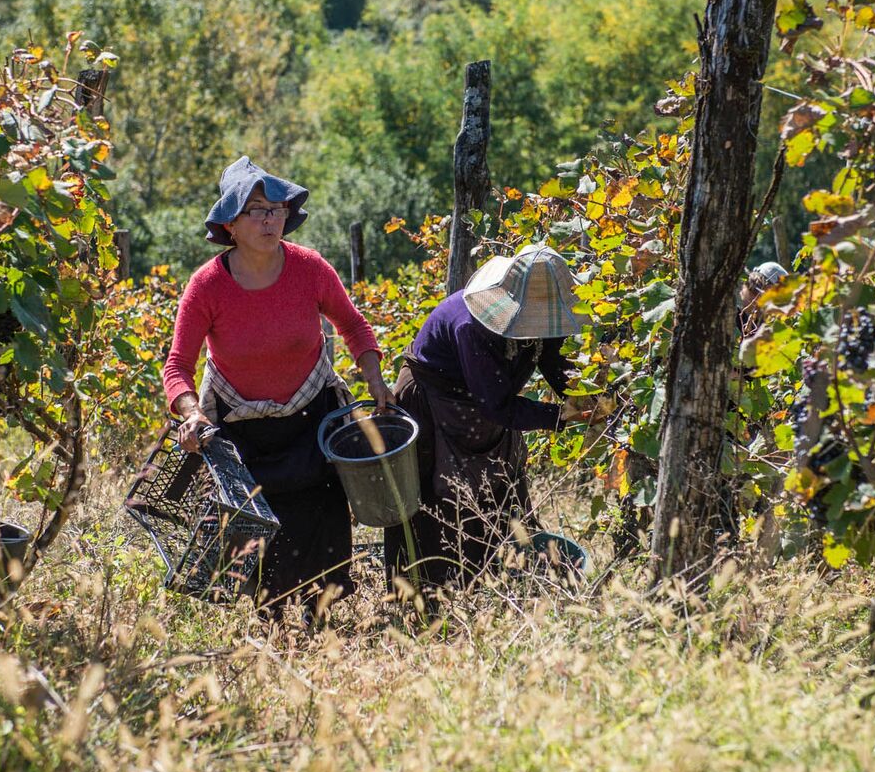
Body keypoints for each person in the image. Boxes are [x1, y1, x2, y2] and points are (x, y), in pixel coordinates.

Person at [162, 157, 394, 621]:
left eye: (276, 209)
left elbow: (352, 325)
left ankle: (321, 621)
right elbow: (178, 367)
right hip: (242, 430)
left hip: (312, 419)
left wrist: (375, 378)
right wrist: (189, 412)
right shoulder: (207, 285)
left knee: (320, 522)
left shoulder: (309, 268)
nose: (270, 220)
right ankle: (270, 626)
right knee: (258, 536)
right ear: (230, 223)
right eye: (256, 210)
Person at [387, 244, 607, 591]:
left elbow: (554, 360)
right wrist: (560, 416)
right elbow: (497, 407)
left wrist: (586, 399)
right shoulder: (471, 326)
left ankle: (497, 583)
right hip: (435, 405)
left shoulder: (540, 315)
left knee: (502, 491)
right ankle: (431, 596)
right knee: (439, 501)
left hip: (483, 404)